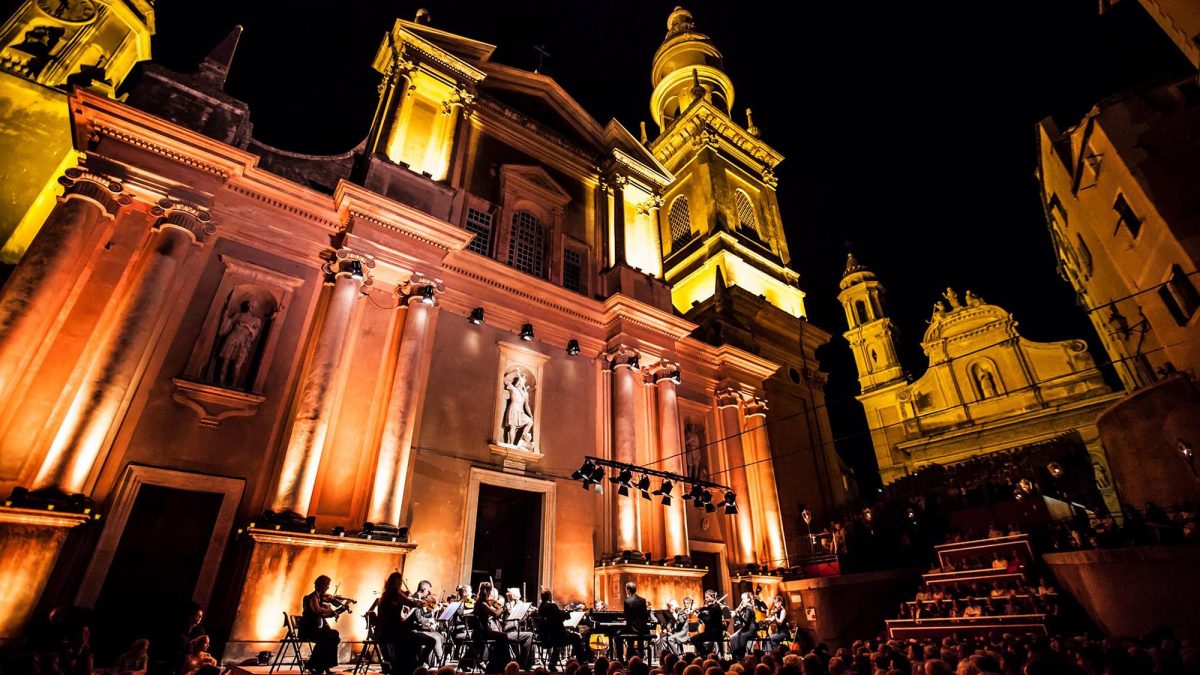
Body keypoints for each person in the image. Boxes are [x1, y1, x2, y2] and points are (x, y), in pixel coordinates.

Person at [471, 581, 518, 673]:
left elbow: (491, 614)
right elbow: (495, 614)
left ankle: (499, 661)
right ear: (488, 591)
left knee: (501, 637)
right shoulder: (482, 603)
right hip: (482, 632)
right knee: (503, 636)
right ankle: (504, 662)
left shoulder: (481, 602)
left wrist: (495, 607)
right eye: (490, 591)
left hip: (482, 631)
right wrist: (503, 607)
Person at [299, 575, 342, 674]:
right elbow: (317, 610)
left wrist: (333, 613)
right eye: (327, 585)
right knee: (327, 638)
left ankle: (323, 666)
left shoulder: (318, 597)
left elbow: (321, 614)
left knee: (334, 635)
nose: (328, 588)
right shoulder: (312, 596)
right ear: (322, 585)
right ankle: (312, 664)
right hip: (309, 630)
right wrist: (329, 610)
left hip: (316, 629)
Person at [537, 589, 586, 669]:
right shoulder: (552, 606)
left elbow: (557, 616)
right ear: (549, 597)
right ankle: (582, 663)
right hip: (555, 637)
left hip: (545, 637)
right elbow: (562, 616)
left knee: (558, 640)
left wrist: (562, 613)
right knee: (576, 637)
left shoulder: (540, 608)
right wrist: (567, 613)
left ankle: (552, 664)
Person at [620, 581, 650, 660]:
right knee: (638, 635)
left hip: (633, 629)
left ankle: (625, 657)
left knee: (618, 635)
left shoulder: (627, 601)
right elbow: (644, 615)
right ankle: (640, 654)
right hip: (642, 629)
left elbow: (627, 618)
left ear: (628, 590)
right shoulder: (643, 600)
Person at [694, 591, 726, 656]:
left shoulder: (715, 607)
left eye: (707, 597)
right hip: (713, 632)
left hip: (713, 633)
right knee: (696, 638)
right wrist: (700, 608)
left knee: (694, 639)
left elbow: (707, 620)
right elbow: (707, 608)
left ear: (712, 597)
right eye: (705, 597)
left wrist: (699, 614)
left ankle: (705, 654)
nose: (706, 599)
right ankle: (707, 653)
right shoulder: (714, 606)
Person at [729, 593, 757, 659]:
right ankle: (735, 655)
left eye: (744, 599)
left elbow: (746, 621)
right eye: (742, 599)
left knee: (741, 636)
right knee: (732, 637)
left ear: (748, 599)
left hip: (751, 630)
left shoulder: (749, 608)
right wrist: (737, 615)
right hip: (745, 628)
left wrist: (739, 615)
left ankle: (741, 655)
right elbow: (742, 621)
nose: (742, 601)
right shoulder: (745, 608)